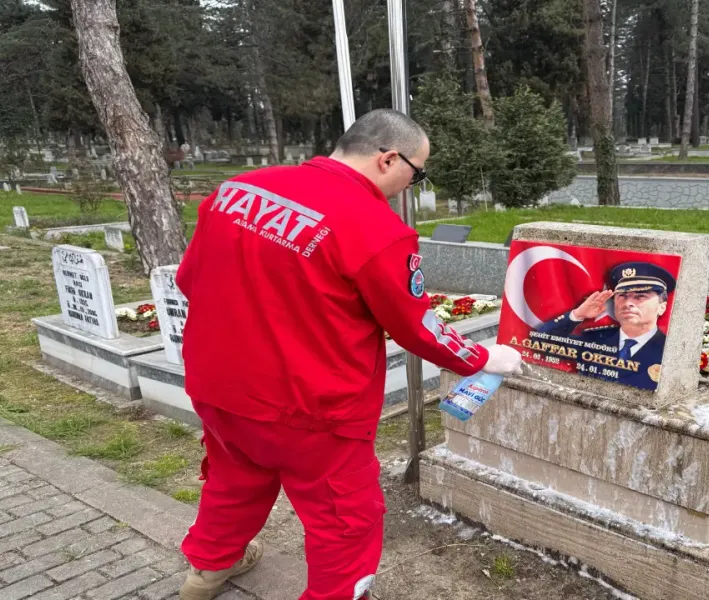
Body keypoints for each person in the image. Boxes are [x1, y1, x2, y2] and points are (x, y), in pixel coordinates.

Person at [174, 108, 523, 600]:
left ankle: (207, 572)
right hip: (311, 409)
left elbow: (190, 280)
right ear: (387, 159)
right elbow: (416, 326)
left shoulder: (238, 191)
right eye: (416, 173)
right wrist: (484, 359)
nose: (411, 185)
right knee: (345, 519)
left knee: (234, 479)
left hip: (219, 387)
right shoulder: (375, 228)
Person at [533, 262, 675, 391]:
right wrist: (577, 315)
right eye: (623, 296)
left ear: (662, 307)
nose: (628, 303)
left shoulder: (670, 351)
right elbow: (539, 343)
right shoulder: (594, 339)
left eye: (640, 296)